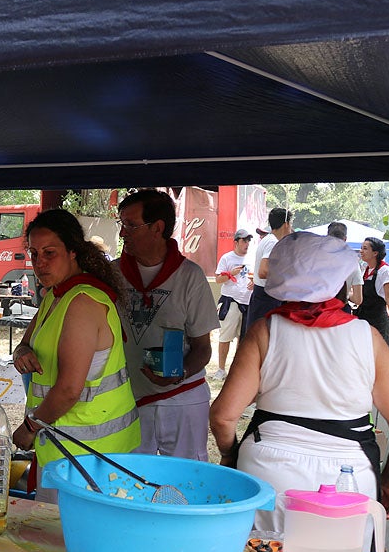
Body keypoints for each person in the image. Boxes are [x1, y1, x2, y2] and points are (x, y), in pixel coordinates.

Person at [210, 232, 389, 532]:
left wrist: (232, 455)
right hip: (348, 481)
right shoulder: (368, 338)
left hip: (268, 477)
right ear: (340, 282)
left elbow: (222, 416)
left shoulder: (265, 331)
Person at [11, 209, 140, 500]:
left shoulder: (82, 302)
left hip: (90, 455)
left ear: (72, 252)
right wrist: (21, 352)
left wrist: (29, 428)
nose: (39, 263)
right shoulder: (57, 294)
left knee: (67, 540)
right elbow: (26, 340)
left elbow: (69, 389)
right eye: (33, 253)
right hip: (68, 447)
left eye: (49, 252)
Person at [112, 190, 218, 461]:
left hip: (182, 397)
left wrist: (178, 373)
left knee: (186, 481)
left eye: (130, 225)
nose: (123, 233)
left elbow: (203, 349)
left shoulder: (189, 277)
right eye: (121, 224)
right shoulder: (112, 275)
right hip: (128, 397)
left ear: (157, 228)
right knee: (131, 479)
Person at [213, 229, 254, 381]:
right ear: (236, 242)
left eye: (248, 240)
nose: (247, 244)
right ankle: (221, 369)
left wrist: (254, 282)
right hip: (230, 301)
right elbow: (218, 280)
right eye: (244, 240)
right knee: (225, 337)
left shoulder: (252, 258)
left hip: (247, 302)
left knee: (242, 339)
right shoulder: (227, 258)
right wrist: (231, 274)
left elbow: (257, 276)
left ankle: (237, 369)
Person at [244, 207, 293, 331]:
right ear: (286, 224)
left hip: (265, 296)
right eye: (290, 223)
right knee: (263, 336)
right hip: (266, 298)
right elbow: (263, 271)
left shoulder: (269, 240)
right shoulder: (273, 242)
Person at [356, 236, 389, 343]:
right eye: (361, 248)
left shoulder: (385, 271)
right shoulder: (365, 269)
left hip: (378, 322)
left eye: (365, 248)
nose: (361, 251)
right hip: (364, 320)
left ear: (375, 253)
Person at [327, 221, 363, 311]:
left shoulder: (316, 259)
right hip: (341, 309)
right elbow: (358, 299)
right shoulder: (353, 263)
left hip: (319, 311)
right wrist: (347, 294)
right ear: (345, 239)